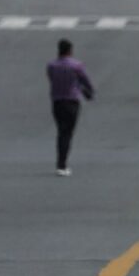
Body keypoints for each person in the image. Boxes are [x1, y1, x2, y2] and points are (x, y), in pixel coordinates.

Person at [47, 38, 94, 177]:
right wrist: (88, 91)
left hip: (57, 102)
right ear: (70, 51)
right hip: (72, 102)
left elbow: (51, 79)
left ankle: (61, 162)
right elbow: (86, 81)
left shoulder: (51, 65)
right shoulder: (76, 65)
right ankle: (62, 164)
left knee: (61, 132)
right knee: (67, 133)